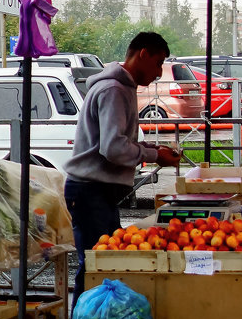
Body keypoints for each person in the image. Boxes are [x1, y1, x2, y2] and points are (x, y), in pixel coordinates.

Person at [63, 32, 181, 304]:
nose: (159, 72)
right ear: (143, 54)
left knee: (105, 260)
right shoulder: (113, 90)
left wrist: (151, 150)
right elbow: (113, 148)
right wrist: (153, 155)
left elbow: (117, 142)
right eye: (158, 62)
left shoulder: (121, 88)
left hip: (99, 191)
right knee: (97, 263)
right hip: (90, 191)